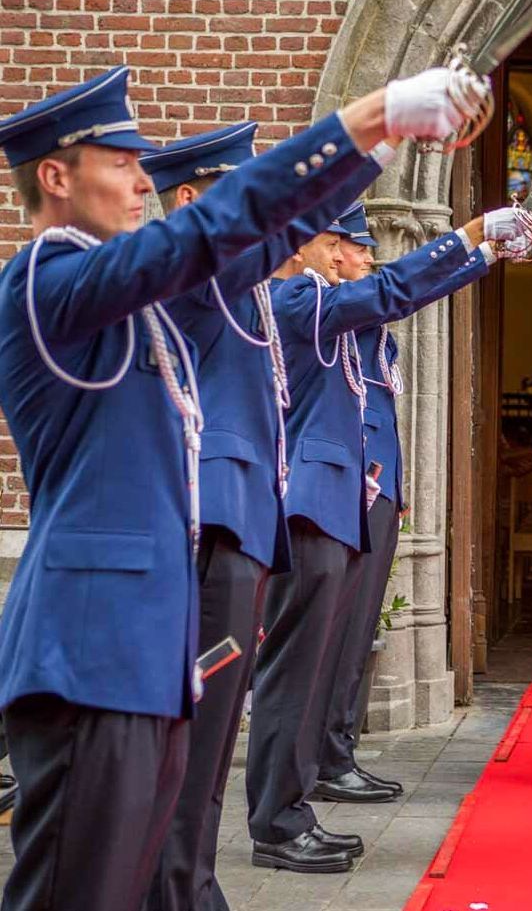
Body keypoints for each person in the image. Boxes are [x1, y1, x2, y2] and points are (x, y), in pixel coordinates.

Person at [0, 60, 473, 910]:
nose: (144, 175)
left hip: (142, 645)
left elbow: (251, 241)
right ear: (56, 175)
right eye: (121, 160)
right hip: (90, 647)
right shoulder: (50, 280)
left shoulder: (142, 301)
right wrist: (369, 119)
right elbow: (206, 233)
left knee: (137, 878)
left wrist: (386, 156)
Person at [141, 123, 394, 911]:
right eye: (233, 189)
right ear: (191, 200)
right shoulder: (257, 287)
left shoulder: (257, 290)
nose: (350, 253)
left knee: (225, 721)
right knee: (231, 703)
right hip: (241, 514)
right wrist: (378, 138)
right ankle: (220, 852)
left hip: (264, 514)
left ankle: (197, 872)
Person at [246, 202, 531, 872]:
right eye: (357, 245)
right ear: (320, 242)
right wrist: (471, 235)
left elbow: (394, 293)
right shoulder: (296, 296)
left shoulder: (320, 300)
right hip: (312, 505)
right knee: (294, 669)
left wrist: (485, 257)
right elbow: (392, 290)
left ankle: (288, 808)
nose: (367, 257)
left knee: (312, 665)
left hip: (335, 501)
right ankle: (276, 821)